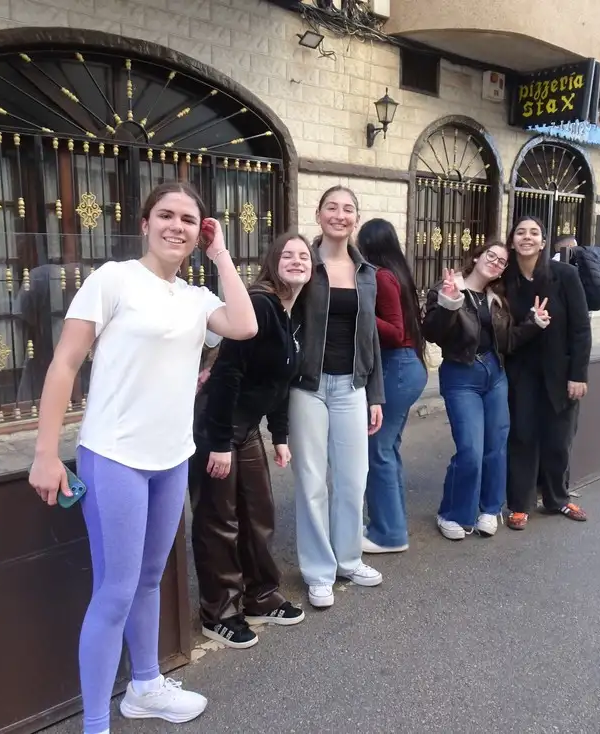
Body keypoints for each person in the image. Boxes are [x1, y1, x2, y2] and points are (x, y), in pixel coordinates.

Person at [27, 182, 258, 734]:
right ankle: (96, 725)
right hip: (115, 457)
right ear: (145, 223)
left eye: (189, 220)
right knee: (115, 591)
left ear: (200, 231)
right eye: (166, 215)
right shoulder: (113, 279)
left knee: (150, 578)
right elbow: (64, 364)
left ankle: (145, 687)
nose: (176, 226)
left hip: (171, 458)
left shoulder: (197, 299)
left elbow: (246, 324)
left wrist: (220, 253)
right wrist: (46, 453)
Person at [189, 233, 314, 649]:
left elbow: (280, 381)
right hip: (217, 427)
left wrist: (280, 436)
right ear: (272, 263)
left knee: (258, 513)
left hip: (246, 429)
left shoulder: (288, 313)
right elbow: (227, 374)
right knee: (219, 521)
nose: (297, 261)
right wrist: (220, 442)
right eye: (287, 255)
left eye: (304, 256)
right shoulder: (260, 304)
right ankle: (219, 612)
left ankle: (260, 595)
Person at [290, 185, 385, 609]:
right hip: (307, 386)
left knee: (352, 479)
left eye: (348, 209)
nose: (339, 215)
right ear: (318, 214)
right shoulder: (303, 264)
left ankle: (348, 559)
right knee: (312, 481)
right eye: (332, 207)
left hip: (352, 386)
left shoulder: (367, 272)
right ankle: (318, 571)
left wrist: (376, 394)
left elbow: (371, 338)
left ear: (356, 219)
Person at [422, 241, 550, 540]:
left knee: (496, 446)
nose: (495, 262)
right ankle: (452, 513)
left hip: (495, 374)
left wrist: (533, 323)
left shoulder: (497, 299)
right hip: (460, 374)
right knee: (470, 449)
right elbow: (432, 332)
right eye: (491, 256)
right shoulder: (449, 287)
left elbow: (507, 342)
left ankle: (490, 509)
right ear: (477, 257)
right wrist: (449, 302)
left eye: (502, 261)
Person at [503, 215, 591, 530]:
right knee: (522, 437)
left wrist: (578, 374)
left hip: (560, 372)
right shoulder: (504, 279)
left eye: (534, 233)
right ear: (512, 241)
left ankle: (557, 498)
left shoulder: (564, 275)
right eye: (520, 232)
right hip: (520, 372)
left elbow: (581, 328)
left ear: (543, 242)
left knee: (559, 438)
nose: (527, 237)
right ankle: (520, 504)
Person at [355, 218, 428, 554]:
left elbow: (396, 333)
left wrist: (360, 310)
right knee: (388, 449)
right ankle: (391, 524)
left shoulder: (382, 276)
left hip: (397, 366)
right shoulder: (397, 272)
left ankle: (388, 535)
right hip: (406, 367)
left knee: (378, 450)